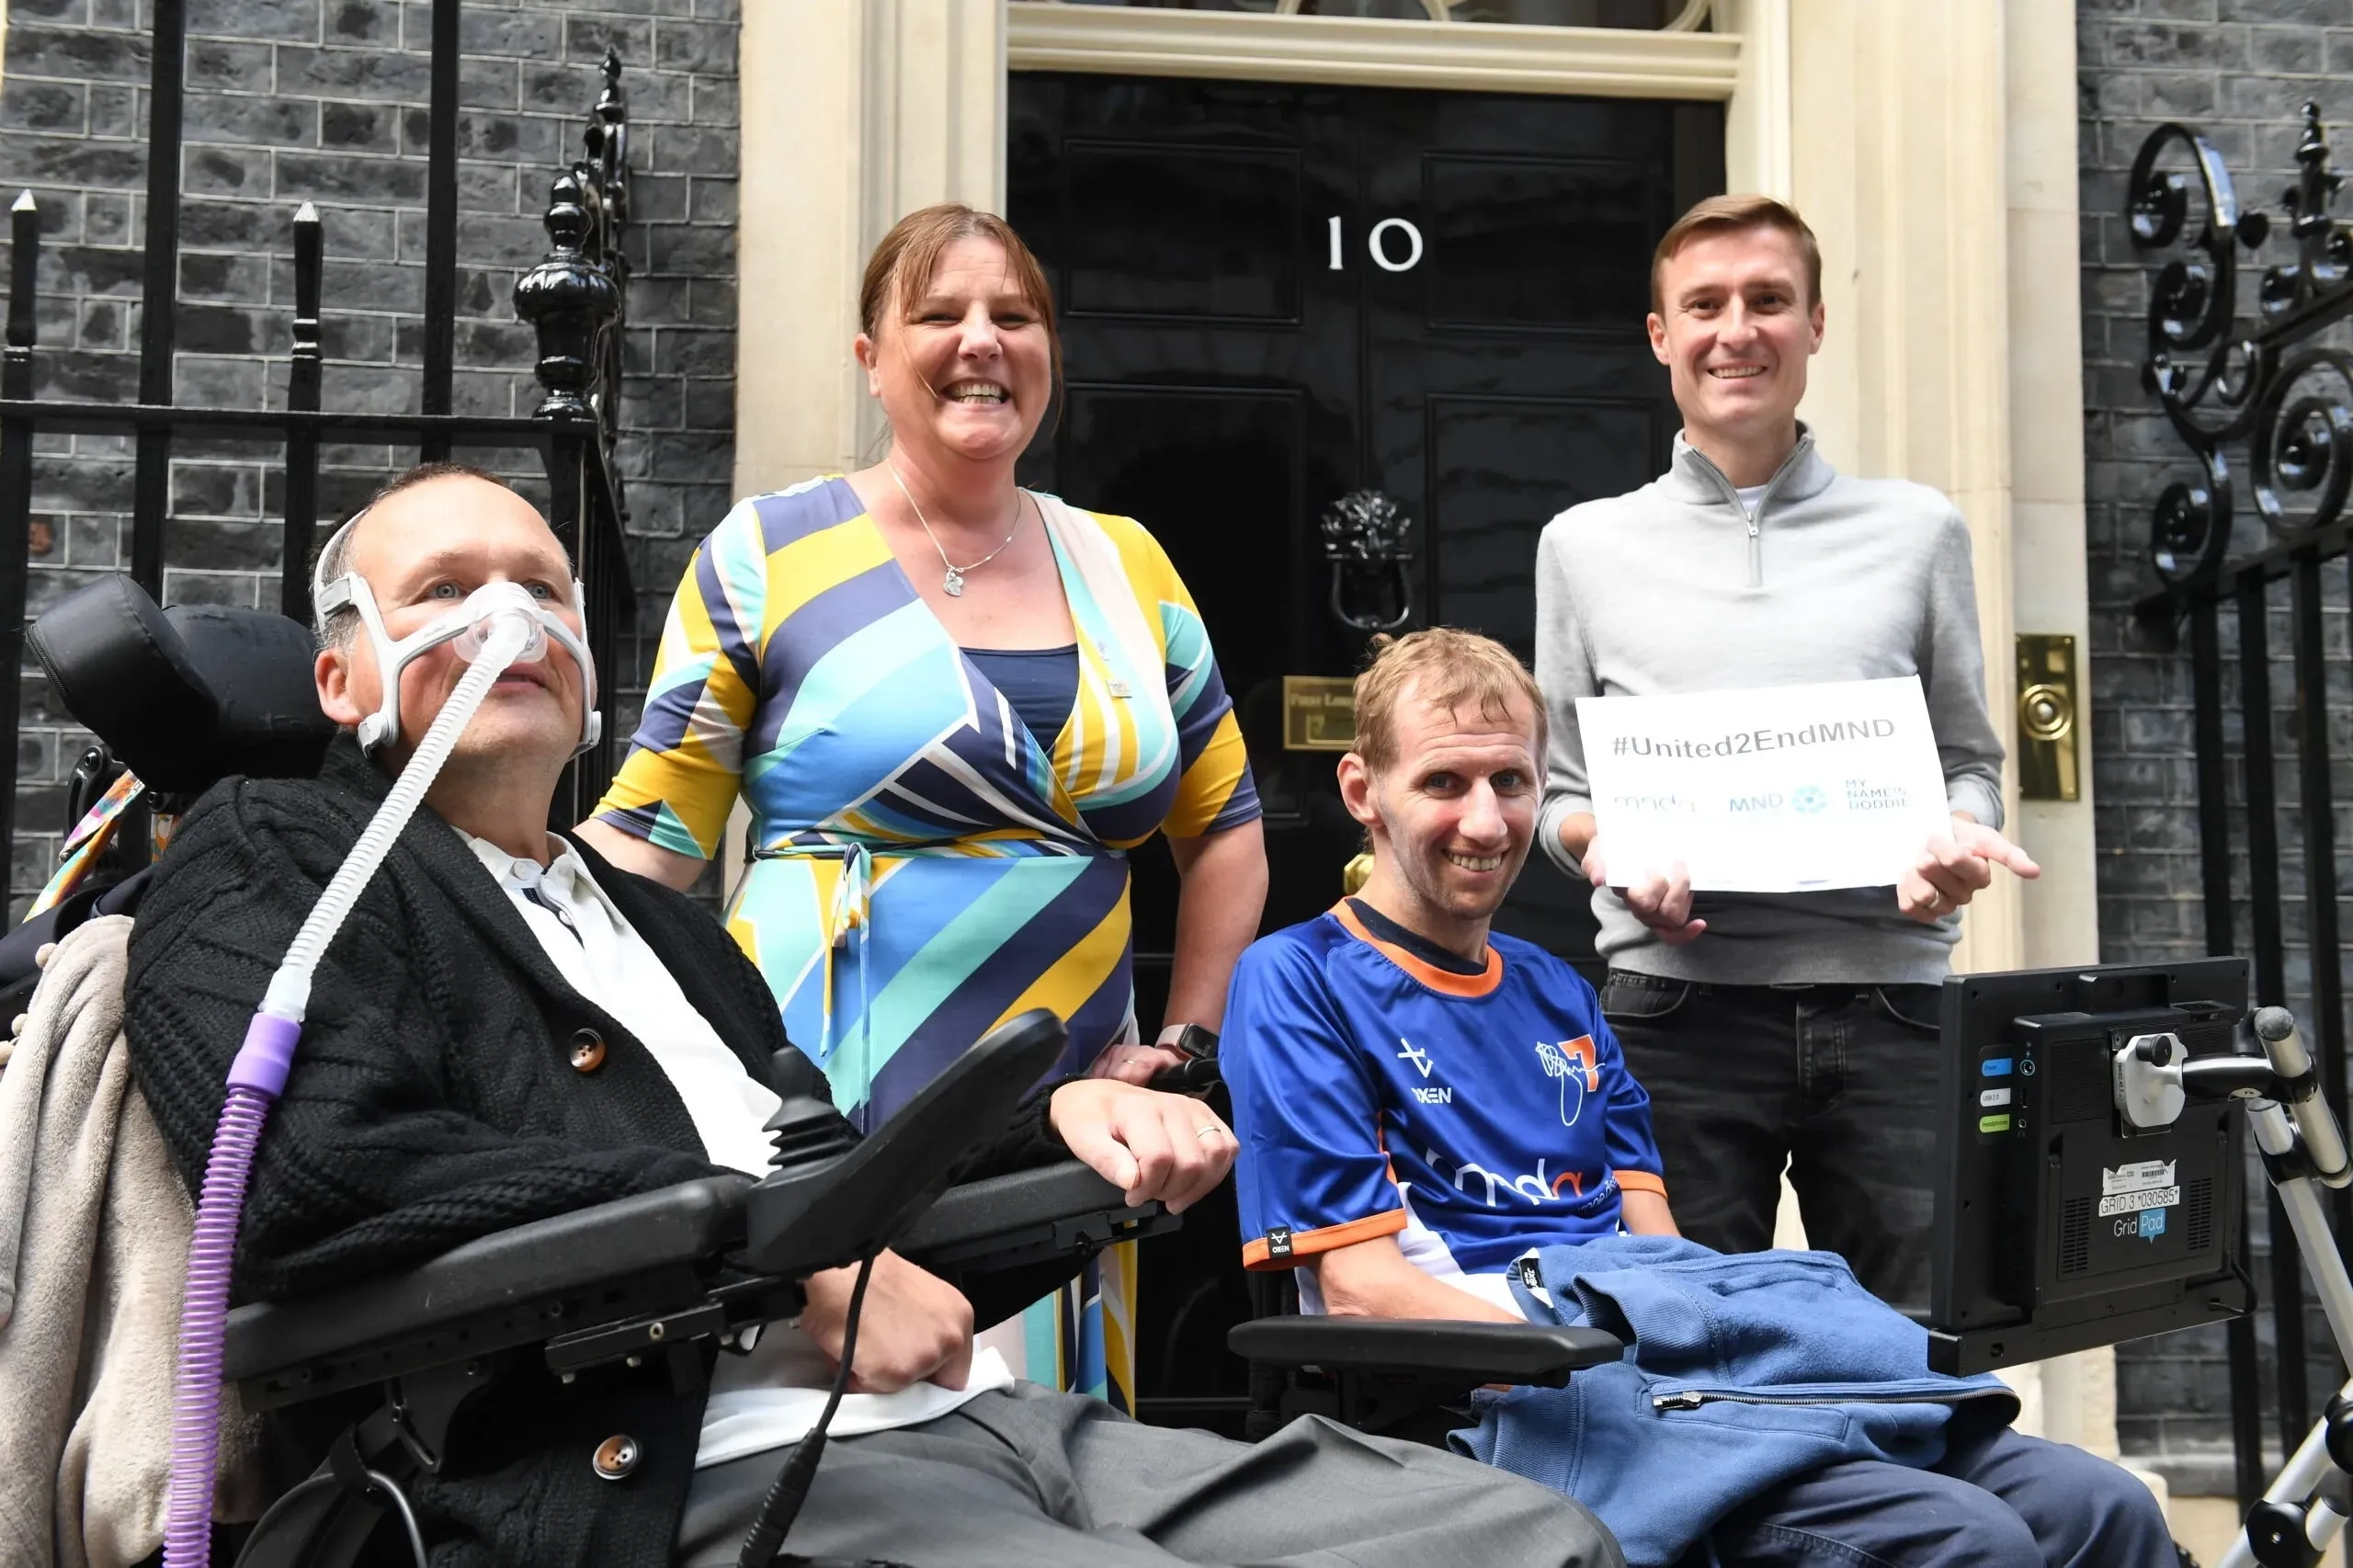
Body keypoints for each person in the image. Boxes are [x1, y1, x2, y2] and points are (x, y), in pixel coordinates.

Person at [121, 467, 1620, 1568]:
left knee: (1529, 1538)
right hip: (691, 1463)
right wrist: (777, 1271)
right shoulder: (280, 853)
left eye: (547, 589)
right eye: (450, 591)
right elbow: (312, 1179)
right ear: (339, 671)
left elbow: (853, 1198)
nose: (513, 613)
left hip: (986, 1427)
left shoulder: (662, 930)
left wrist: (1066, 1133)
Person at [1220, 629, 2174, 1568]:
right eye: (1443, 782)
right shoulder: (1296, 978)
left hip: (1665, 1373)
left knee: (2100, 1504)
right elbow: (1358, 1288)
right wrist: (1608, 1354)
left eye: (1510, 782)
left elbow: (1658, 1246)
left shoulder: (1557, 989)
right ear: (1362, 791)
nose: (1485, 820)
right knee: (1968, 1539)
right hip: (1506, 1398)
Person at [576, 202, 1268, 1402]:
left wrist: (1185, 1044)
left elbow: (1226, 827)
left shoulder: (1130, 564)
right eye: (939, 314)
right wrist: (475, 916)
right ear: (872, 362)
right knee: (832, 1452)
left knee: (1032, 1459)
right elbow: (648, 842)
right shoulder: (768, 555)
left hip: (1065, 1112)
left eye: (1014, 315)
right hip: (825, 1102)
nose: (981, 340)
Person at [1532, 195, 2039, 1312]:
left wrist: (1955, 835)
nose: (1736, 330)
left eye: (1767, 300)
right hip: (1674, 1014)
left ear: (1814, 324)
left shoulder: (1917, 530)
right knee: (1677, 1355)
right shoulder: (1582, 545)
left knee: (1926, 1348)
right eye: (1703, 305)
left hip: (1896, 1003)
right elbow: (1556, 796)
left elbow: (1969, 761)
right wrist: (1608, 846)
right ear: (1660, 334)